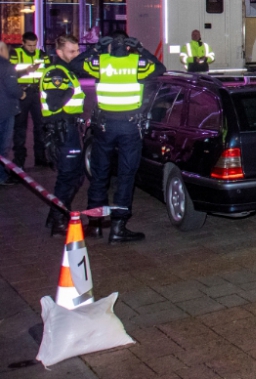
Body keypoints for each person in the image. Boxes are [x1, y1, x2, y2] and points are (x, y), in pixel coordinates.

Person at [71, 31, 165, 242]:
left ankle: (95, 224)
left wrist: (94, 49)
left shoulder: (101, 63)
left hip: (105, 127)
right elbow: (160, 69)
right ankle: (118, 227)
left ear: (109, 44)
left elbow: (75, 66)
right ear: (129, 44)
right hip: (130, 128)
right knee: (126, 175)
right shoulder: (137, 62)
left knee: (100, 173)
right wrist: (141, 49)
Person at [39, 35, 86, 235]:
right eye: (71, 51)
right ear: (59, 52)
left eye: (77, 50)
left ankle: (57, 214)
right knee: (69, 176)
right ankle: (58, 219)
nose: (76, 54)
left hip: (68, 128)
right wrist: (68, 87)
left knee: (75, 175)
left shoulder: (66, 71)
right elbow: (55, 102)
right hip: (62, 129)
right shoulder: (56, 72)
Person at [11, 32, 50, 170]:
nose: (32, 48)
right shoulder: (16, 53)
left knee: (40, 126)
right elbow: (10, 73)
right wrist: (27, 70)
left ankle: (40, 158)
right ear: (23, 43)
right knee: (20, 127)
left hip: (37, 93)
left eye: (34, 45)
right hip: (22, 93)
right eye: (29, 45)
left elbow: (48, 71)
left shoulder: (42, 54)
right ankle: (19, 160)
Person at [0, 41, 24, 186]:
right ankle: (2, 176)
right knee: (3, 145)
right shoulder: (6, 66)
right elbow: (12, 89)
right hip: (5, 110)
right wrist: (22, 94)